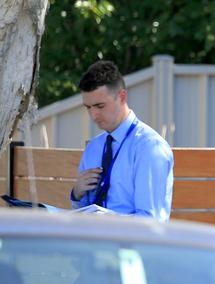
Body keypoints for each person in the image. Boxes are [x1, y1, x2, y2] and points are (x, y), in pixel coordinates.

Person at [70, 60, 173, 222]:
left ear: (122, 97)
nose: (93, 115)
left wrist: (108, 220)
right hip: (93, 242)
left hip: (135, 246)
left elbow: (152, 222)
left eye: (100, 106)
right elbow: (82, 212)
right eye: (88, 107)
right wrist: (76, 194)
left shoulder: (150, 147)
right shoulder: (94, 148)